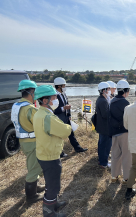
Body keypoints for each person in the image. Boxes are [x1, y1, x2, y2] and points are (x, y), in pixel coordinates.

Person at [33, 85, 72, 217]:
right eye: (54, 97)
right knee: (53, 185)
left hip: (44, 152)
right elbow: (65, 131)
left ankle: (53, 204)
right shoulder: (48, 117)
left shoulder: (40, 113)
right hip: (50, 156)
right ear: (45, 100)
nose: (56, 99)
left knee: (51, 183)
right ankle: (49, 213)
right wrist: (68, 125)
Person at [11, 80, 45, 203]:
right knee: (34, 168)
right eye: (35, 92)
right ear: (31, 92)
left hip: (23, 141)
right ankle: (31, 196)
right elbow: (40, 125)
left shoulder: (16, 106)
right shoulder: (30, 109)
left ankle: (36, 187)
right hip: (32, 142)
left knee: (31, 165)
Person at [53, 77, 87, 157]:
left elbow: (67, 105)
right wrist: (63, 108)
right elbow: (54, 110)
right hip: (59, 118)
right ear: (59, 86)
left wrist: (69, 115)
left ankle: (78, 148)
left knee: (71, 133)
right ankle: (60, 152)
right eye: (64, 85)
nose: (65, 87)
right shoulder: (54, 96)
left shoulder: (63, 94)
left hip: (66, 117)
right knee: (59, 136)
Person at [110, 79, 131, 183]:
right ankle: (126, 178)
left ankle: (114, 176)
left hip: (113, 132)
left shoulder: (112, 101)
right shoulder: (125, 103)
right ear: (125, 91)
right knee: (126, 155)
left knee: (115, 155)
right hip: (124, 132)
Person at [95, 82, 112, 168]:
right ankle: (103, 163)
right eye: (108, 89)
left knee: (102, 144)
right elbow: (105, 115)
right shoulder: (103, 101)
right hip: (105, 127)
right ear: (103, 90)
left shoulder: (101, 99)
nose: (110, 90)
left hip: (102, 126)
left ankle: (102, 161)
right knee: (105, 145)